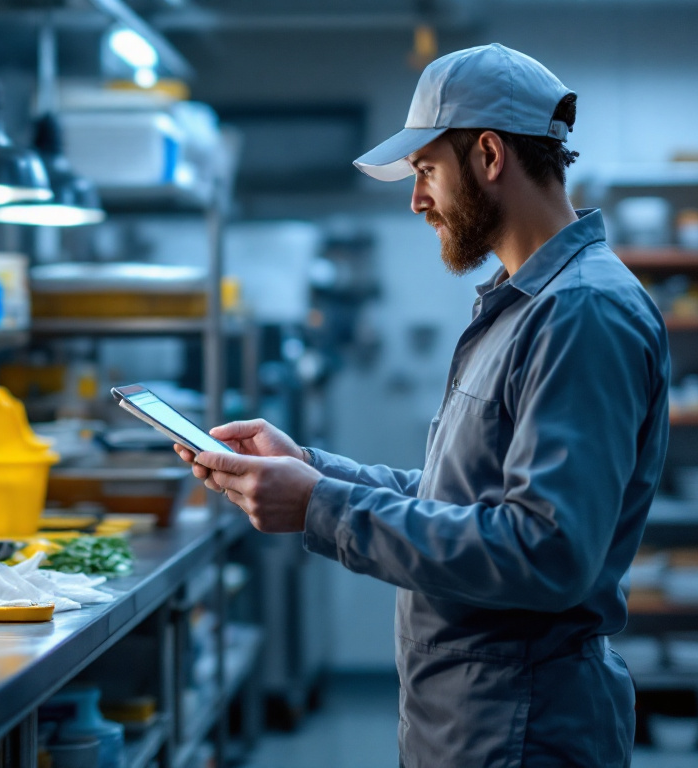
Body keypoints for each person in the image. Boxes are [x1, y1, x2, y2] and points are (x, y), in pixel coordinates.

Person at [176, 44, 670, 767]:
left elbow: (546, 552)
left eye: (425, 170)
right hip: (473, 723)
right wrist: (313, 471)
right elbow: (460, 499)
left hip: (522, 731)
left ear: (490, 155)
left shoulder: (582, 313)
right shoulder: (521, 307)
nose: (416, 200)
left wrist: (321, 507)